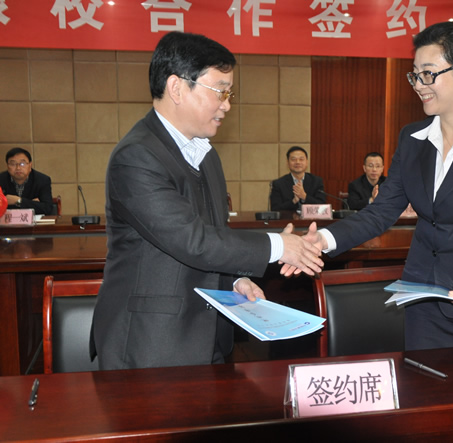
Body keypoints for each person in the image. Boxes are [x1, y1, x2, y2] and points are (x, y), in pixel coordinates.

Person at [301, 22, 453, 351]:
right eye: (415, 75)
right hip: (423, 304)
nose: (419, 85)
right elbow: (380, 212)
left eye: (429, 74)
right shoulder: (413, 138)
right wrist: (324, 240)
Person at [89, 32, 323, 370]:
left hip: (207, 334)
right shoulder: (136, 156)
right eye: (220, 91)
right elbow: (192, 241)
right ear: (177, 88)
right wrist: (278, 246)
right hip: (151, 342)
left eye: (229, 93)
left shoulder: (205, 154)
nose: (227, 104)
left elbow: (215, 236)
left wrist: (236, 281)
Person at [269, 146, 326, 211]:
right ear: (287, 163)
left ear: (307, 162)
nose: (298, 162)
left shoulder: (316, 181)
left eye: (301, 159)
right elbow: (275, 209)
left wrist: (304, 196)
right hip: (288, 217)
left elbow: (322, 206)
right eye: (293, 159)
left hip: (311, 217)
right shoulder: (278, 184)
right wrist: (293, 201)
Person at [0, 147, 53, 215]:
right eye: (13, 164)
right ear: (7, 166)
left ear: (30, 165)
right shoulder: (1, 180)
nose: (18, 168)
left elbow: (47, 208)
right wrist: (32, 203)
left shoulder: (42, 180)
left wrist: (19, 201)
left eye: (22, 164)